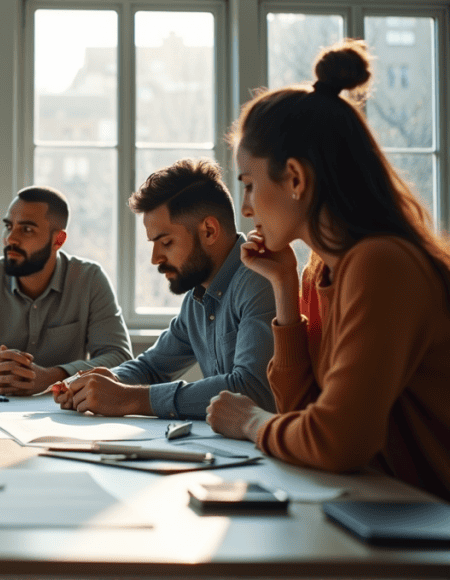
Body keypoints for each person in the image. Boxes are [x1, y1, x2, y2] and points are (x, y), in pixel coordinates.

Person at [206, 39, 450, 502]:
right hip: (388, 506)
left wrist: (250, 422)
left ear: (295, 179)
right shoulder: (324, 270)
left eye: (250, 185)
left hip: (432, 525)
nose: (246, 208)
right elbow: (305, 413)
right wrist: (282, 283)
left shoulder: (382, 264)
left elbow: (335, 441)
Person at [52, 159, 276, 419]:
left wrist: (130, 399)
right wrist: (102, 383)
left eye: (166, 242)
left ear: (209, 230)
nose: (155, 258)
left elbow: (252, 389)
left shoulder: (259, 278)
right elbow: (152, 367)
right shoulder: (198, 297)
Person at [0, 186, 132, 395]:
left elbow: (120, 357)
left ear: (58, 240)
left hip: (67, 413)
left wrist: (52, 377)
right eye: (8, 226)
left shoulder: (90, 280)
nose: (11, 239)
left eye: (26, 230)